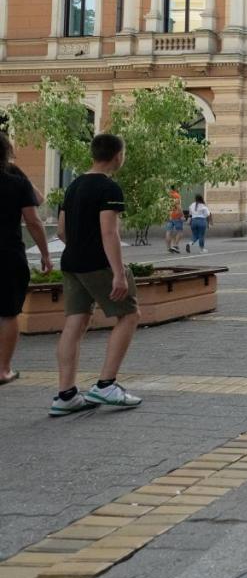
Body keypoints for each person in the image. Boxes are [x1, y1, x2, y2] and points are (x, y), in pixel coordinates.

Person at [51, 133, 142, 416]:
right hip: (97, 263)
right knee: (129, 314)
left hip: (71, 263)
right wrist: (118, 273)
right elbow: (109, 232)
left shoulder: (74, 185)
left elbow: (61, 231)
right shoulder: (109, 188)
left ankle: (65, 395)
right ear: (118, 155)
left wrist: (79, 248)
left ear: (93, 154)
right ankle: (106, 384)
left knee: (75, 322)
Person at [1, 132, 53, 386]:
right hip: (7, 254)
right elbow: (33, 218)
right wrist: (44, 253)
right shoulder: (15, 182)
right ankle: (3, 370)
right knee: (8, 313)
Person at [164, 186, 184, 253]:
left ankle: (169, 247)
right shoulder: (176, 195)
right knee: (180, 231)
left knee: (168, 232)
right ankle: (175, 245)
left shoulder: (167, 196)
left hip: (168, 215)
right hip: (176, 215)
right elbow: (178, 206)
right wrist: (182, 215)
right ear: (175, 188)